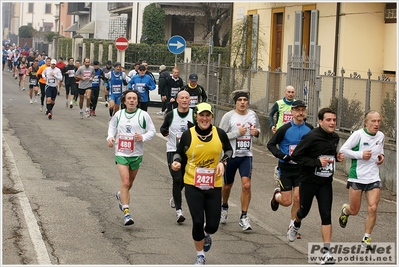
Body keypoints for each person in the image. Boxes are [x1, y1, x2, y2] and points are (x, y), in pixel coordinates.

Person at [171, 102, 233, 265]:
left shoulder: (219, 133)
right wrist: (176, 163)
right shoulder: (188, 135)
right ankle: (200, 255)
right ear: (196, 116)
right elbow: (178, 153)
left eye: (207, 115)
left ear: (211, 117)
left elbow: (228, 150)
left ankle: (206, 233)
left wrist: (222, 162)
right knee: (197, 221)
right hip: (192, 183)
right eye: (201, 115)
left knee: (212, 225)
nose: (204, 118)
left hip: (214, 184)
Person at [288, 107, 344, 265]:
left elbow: (328, 156)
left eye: (334, 120)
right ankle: (295, 224)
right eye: (328, 120)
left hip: (325, 182)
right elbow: (296, 156)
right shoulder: (311, 137)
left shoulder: (335, 138)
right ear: (320, 121)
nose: (332, 123)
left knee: (326, 215)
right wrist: (316, 163)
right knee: (303, 211)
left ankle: (327, 253)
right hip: (308, 181)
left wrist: (337, 158)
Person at [107, 90, 156, 226]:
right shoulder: (119, 114)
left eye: (134, 98)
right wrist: (110, 138)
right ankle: (126, 213)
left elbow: (152, 131)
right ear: (124, 101)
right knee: (126, 181)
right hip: (121, 153)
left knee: (129, 184)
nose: (132, 101)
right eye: (129, 98)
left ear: (137, 101)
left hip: (136, 154)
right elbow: (112, 127)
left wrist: (143, 137)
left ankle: (121, 194)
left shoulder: (143, 115)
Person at [338, 110, 385, 250]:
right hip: (357, 176)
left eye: (379, 121)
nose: (377, 124)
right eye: (373, 121)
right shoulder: (358, 134)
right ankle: (345, 211)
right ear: (366, 122)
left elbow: (380, 150)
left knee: (373, 207)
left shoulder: (381, 135)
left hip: (373, 177)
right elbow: (343, 150)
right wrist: (360, 154)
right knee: (355, 209)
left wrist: (381, 156)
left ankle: (366, 238)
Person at [267, 100, 313, 238]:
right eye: (297, 110)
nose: (300, 113)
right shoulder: (284, 129)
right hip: (286, 169)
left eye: (303, 110)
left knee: (298, 199)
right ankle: (277, 196)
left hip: (302, 169)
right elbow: (271, 145)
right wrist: (283, 155)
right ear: (292, 112)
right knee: (287, 202)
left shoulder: (310, 129)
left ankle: (292, 227)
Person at [218, 90, 260, 231]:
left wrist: (257, 132)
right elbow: (220, 135)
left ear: (248, 102)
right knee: (227, 185)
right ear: (235, 102)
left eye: (245, 100)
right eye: (239, 100)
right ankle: (224, 207)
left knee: (246, 185)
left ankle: (243, 216)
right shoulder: (228, 116)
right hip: (231, 156)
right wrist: (237, 133)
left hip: (246, 156)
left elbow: (257, 128)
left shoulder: (253, 115)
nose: (242, 102)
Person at [160, 90, 195, 224]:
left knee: (186, 180)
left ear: (190, 100)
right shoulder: (170, 115)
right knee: (177, 179)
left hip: (189, 152)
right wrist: (165, 132)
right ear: (177, 100)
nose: (185, 100)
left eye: (187, 98)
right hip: (173, 151)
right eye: (182, 98)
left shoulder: (194, 114)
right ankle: (179, 211)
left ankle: (176, 196)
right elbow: (163, 129)